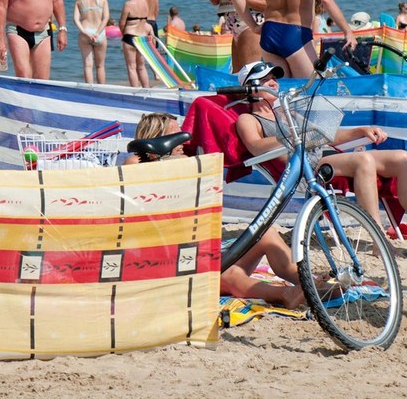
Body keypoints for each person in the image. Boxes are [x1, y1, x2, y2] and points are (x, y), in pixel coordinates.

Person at [234, 61, 407, 248]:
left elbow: (324, 136)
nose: (274, 83)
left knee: (402, 158)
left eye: (275, 79)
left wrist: (360, 130)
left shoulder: (287, 113)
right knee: (363, 159)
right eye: (266, 80)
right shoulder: (248, 119)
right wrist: (296, 137)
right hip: (307, 167)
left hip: (328, 156)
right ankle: (379, 242)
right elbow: (256, 147)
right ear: (251, 88)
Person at [122, 112, 307, 308]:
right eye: (176, 135)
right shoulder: (136, 163)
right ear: (156, 140)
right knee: (232, 275)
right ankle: (285, 294)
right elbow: (136, 172)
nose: (184, 139)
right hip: (166, 266)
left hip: (199, 255)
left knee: (266, 234)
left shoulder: (183, 164)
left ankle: (308, 285)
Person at [73, 0, 110, 85]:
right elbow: (106, 18)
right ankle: (102, 90)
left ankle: (90, 91)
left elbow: (76, 19)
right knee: (100, 65)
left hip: (85, 32)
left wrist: (85, 32)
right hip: (99, 33)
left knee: (88, 65)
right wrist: (97, 33)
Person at [118, 0, 152, 88]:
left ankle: (135, 92)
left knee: (131, 67)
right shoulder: (145, 3)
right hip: (142, 37)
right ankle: (147, 90)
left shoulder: (128, 4)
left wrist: (124, 35)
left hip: (130, 37)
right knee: (141, 67)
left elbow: (122, 23)